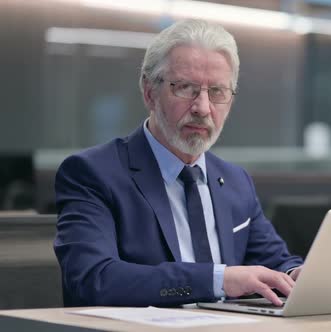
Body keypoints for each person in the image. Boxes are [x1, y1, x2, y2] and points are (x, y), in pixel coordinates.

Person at [53, 18, 303, 307]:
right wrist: (218, 279)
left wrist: (297, 274)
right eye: (185, 88)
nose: (202, 108)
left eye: (217, 92)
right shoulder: (92, 174)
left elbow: (275, 262)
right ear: (149, 92)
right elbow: (93, 279)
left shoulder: (235, 181)